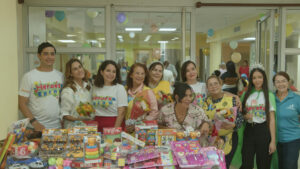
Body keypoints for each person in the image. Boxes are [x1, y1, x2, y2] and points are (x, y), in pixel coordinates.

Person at [19, 42, 63, 130]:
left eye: (52, 54)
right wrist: (34, 123)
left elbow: (61, 100)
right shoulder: (29, 76)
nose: (49, 57)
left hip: (56, 127)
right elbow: (22, 103)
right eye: (46, 54)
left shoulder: (60, 76)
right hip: (36, 127)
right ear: (39, 56)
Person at [239, 66, 276, 169]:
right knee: (246, 163)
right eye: (254, 78)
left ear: (264, 78)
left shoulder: (269, 95)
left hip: (264, 131)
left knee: (263, 164)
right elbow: (241, 113)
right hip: (249, 131)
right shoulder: (246, 95)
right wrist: (245, 116)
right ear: (251, 80)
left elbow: (272, 119)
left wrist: (273, 141)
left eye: (260, 77)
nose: (257, 80)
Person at [203, 75, 243, 169]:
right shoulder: (205, 102)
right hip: (211, 140)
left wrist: (233, 125)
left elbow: (240, 119)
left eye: (216, 83)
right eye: (210, 85)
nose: (214, 86)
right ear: (207, 88)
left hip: (229, 139)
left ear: (221, 84)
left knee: (225, 165)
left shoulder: (232, 100)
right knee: (212, 166)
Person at [273, 72, 300, 169]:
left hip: (293, 140)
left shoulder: (296, 98)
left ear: (288, 82)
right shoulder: (271, 98)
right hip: (275, 140)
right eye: (278, 82)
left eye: (284, 81)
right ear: (274, 84)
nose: (281, 84)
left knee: (289, 166)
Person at [92, 60, 128, 132]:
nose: (111, 74)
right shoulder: (95, 87)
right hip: (97, 124)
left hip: (114, 123)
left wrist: (115, 130)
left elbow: (122, 112)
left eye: (114, 71)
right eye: (108, 70)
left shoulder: (119, 88)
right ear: (101, 72)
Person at [125, 63, 158, 133]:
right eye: (137, 73)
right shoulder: (124, 90)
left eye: (142, 74)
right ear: (131, 75)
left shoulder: (148, 92)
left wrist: (139, 123)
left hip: (141, 132)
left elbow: (154, 112)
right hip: (124, 130)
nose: (140, 76)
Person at [60, 58, 92, 128]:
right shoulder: (68, 91)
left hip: (87, 128)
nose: (79, 70)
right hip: (73, 130)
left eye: (80, 67)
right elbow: (65, 114)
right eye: (75, 69)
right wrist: (80, 120)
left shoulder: (87, 87)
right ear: (71, 73)